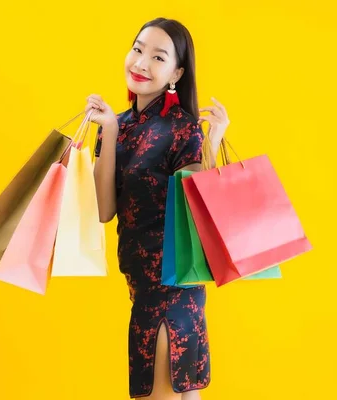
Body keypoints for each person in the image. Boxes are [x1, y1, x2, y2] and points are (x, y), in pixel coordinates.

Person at [84, 17, 230, 399]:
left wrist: (211, 144)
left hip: (170, 293)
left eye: (158, 57)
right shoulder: (115, 125)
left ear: (176, 73)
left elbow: (199, 211)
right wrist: (110, 133)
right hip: (144, 291)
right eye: (137, 49)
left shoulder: (182, 128)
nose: (141, 63)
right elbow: (103, 212)